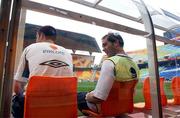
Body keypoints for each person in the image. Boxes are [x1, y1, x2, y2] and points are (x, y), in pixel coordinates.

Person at [12, 25, 73, 118]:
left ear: (40, 35)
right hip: (62, 103)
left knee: (15, 98)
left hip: (35, 103)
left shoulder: (30, 48)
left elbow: (17, 86)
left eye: (36, 37)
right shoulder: (67, 53)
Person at [77, 32, 140, 115]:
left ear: (116, 43)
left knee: (79, 96)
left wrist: (87, 96)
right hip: (123, 107)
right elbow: (132, 93)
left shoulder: (110, 62)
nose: (103, 49)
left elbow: (98, 98)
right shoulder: (134, 64)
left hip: (106, 108)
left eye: (105, 44)